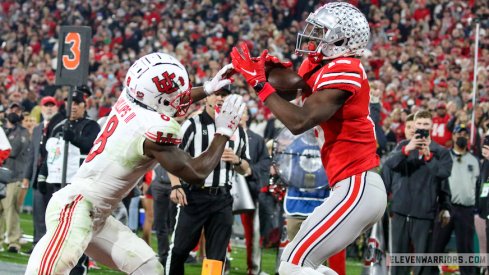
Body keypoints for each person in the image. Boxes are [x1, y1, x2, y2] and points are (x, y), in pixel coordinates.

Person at [25, 52, 242, 274]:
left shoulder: (130, 96)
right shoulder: (153, 129)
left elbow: (168, 103)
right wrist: (223, 131)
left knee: (149, 269)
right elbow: (196, 173)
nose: (181, 97)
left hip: (97, 215)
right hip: (76, 208)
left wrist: (207, 89)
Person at [231, 3, 387, 274]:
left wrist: (260, 84)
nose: (312, 36)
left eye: (320, 31)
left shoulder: (346, 67)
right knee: (293, 257)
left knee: (295, 263)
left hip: (358, 185)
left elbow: (299, 121)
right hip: (347, 185)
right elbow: (293, 92)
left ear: (340, 40)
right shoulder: (318, 64)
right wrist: (264, 71)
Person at [166, 87, 250, 275]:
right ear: (206, 99)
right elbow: (171, 157)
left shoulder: (237, 130)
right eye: (217, 94)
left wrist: (237, 160)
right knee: (179, 249)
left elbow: (247, 168)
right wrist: (176, 185)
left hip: (222, 198)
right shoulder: (193, 124)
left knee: (216, 256)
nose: (220, 98)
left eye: (225, 95)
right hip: (194, 196)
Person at [382, 110, 452, 275]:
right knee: (399, 263)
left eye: (425, 125)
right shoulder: (404, 146)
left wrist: (429, 158)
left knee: (423, 265)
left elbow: (444, 174)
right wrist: (406, 150)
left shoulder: (441, 152)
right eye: (419, 125)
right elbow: (388, 164)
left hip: (424, 214)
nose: (421, 128)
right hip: (400, 211)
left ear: (431, 127)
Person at [431, 124, 479, 275]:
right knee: (437, 244)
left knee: (466, 248)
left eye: (465, 134)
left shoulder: (474, 160)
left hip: (466, 209)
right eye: (459, 134)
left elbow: (477, 185)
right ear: (453, 136)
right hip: (446, 207)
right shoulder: (445, 157)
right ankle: (429, 271)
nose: (462, 137)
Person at [22, 96, 59, 252]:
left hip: (54, 176)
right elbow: (32, 154)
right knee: (38, 211)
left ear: (56, 108)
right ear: (41, 108)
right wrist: (26, 176)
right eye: (46, 106)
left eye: (52, 106)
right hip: (38, 176)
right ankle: (37, 244)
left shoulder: (59, 126)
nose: (49, 108)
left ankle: (50, 246)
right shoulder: (37, 129)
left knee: (53, 214)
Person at [238, 106, 271, 275]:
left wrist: (250, 170)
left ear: (247, 117)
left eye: (242, 112)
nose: (239, 116)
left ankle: (254, 269)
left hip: (250, 192)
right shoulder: (221, 136)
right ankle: (221, 264)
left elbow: (265, 163)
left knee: (253, 232)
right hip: (224, 190)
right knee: (219, 230)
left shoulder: (257, 139)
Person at [0, 111, 30, 253]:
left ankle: (13, 242)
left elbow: (14, 150)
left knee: (10, 209)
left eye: (16, 110)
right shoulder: (3, 130)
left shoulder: (22, 132)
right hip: (2, 174)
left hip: (13, 175)